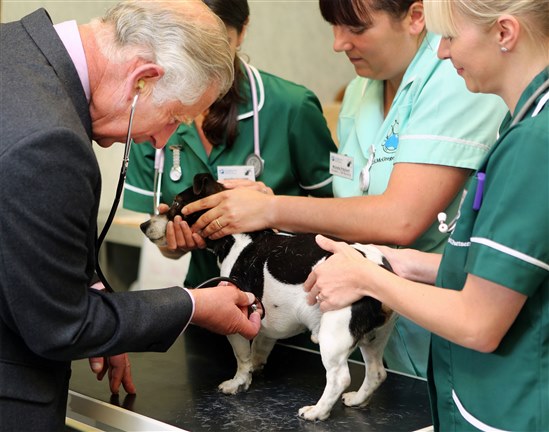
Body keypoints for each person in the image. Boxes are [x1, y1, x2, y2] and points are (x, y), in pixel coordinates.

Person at [173, 0, 507, 377]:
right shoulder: (359, 92)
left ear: (415, 17)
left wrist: (273, 210)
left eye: (356, 28)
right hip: (357, 321)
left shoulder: (458, 80)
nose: (338, 43)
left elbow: (401, 219)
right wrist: (268, 207)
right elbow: (348, 209)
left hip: (437, 329)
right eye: (333, 26)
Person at [0, 1, 261, 430]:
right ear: (142, 81)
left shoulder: (15, 48)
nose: (161, 141)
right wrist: (193, 304)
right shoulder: (48, 143)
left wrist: (94, 294)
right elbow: (61, 327)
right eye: (175, 117)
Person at [303, 0, 548, 429]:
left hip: (514, 406)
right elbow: (506, 276)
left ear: (505, 33)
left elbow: (479, 322)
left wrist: (368, 277)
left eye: (449, 36)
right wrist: (404, 262)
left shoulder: (534, 142)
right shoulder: (526, 127)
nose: (441, 52)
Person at [123, 0, 337, 288]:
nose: (204, 58)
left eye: (217, 42)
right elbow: (163, 239)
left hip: (288, 309)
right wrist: (174, 244)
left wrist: (272, 209)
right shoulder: (151, 113)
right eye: (192, 42)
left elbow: (340, 217)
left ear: (243, 30)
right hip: (203, 301)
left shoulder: (292, 108)